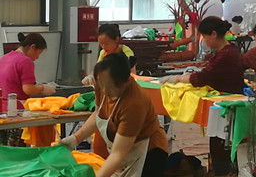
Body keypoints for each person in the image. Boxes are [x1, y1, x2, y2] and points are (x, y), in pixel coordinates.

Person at [56, 52, 167, 177]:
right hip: (121, 153)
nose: (104, 90)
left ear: (126, 82)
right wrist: (75, 139)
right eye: (101, 85)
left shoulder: (134, 104)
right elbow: (99, 114)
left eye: (109, 87)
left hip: (147, 152)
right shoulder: (102, 82)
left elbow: (118, 154)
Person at [161, 17, 244, 176]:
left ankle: (223, 172)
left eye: (204, 37)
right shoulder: (227, 51)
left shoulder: (226, 55)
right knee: (219, 145)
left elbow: (201, 78)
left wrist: (176, 79)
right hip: (223, 107)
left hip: (227, 109)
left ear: (213, 34)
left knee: (222, 148)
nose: (204, 41)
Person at [0, 32, 55, 145]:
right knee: (18, 151)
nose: (37, 58)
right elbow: (28, 89)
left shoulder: (4, 58)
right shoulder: (25, 61)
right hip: (17, 113)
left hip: (2, 112)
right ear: (32, 47)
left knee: (4, 150)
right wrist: (43, 88)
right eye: (38, 53)